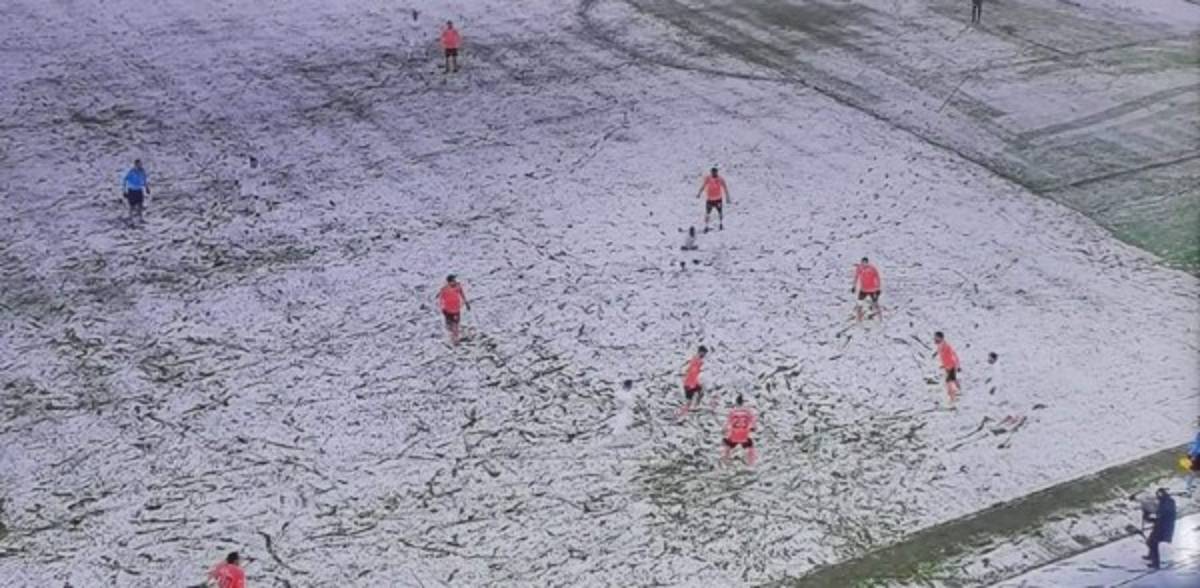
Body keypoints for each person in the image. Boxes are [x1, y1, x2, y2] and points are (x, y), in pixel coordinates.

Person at [1143, 488, 1176, 569]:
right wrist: (1149, 515)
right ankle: (1151, 556)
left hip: (1164, 528)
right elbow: (1159, 514)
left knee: (1153, 543)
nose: (1158, 496)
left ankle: (1155, 563)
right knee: (1150, 541)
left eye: (1159, 494)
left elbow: (1164, 514)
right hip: (1160, 526)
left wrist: (1152, 516)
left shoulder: (1169, 502)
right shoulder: (1163, 502)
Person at [721, 394, 757, 466]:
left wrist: (724, 429)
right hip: (744, 435)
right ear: (743, 402)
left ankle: (725, 460)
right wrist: (753, 428)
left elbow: (727, 423)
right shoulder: (748, 412)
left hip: (734, 435)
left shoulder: (732, 412)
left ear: (736, 402)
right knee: (751, 445)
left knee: (728, 445)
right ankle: (751, 462)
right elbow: (753, 423)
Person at [696, 167, 730, 233]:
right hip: (710, 199)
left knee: (720, 212)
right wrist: (699, 193)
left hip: (718, 199)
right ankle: (706, 226)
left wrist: (727, 197)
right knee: (707, 213)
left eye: (715, 172)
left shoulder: (720, 179)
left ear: (717, 172)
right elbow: (703, 186)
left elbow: (725, 188)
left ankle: (720, 224)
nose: (713, 173)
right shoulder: (708, 178)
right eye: (712, 172)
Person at [438, 275, 470, 345]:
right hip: (447, 310)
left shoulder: (458, 287)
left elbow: (462, 294)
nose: (455, 282)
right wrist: (441, 308)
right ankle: (451, 335)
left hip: (456, 309)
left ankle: (455, 339)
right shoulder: (444, 289)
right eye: (453, 281)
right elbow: (440, 299)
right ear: (449, 282)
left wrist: (466, 303)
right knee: (449, 325)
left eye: (455, 280)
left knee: (456, 324)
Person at [678, 346, 707, 417]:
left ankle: (693, 407)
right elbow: (690, 371)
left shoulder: (697, 360)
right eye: (704, 353)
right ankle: (681, 414)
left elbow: (692, 372)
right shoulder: (695, 360)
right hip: (689, 384)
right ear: (700, 352)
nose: (704, 356)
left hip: (692, 383)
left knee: (701, 391)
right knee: (688, 402)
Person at [933, 331, 960, 404]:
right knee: (953, 380)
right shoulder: (939, 346)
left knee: (948, 382)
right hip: (947, 366)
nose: (934, 339)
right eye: (934, 337)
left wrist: (958, 364)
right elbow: (943, 356)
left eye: (936, 337)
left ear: (941, 338)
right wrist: (943, 365)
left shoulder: (946, 346)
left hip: (951, 365)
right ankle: (959, 390)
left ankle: (953, 398)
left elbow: (953, 354)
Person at [852, 257, 882, 322]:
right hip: (863, 290)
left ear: (867, 262)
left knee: (875, 303)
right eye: (863, 262)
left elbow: (877, 278)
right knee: (859, 303)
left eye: (865, 262)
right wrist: (854, 286)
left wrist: (878, 288)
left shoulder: (872, 268)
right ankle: (859, 318)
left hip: (872, 289)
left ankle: (880, 318)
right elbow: (856, 277)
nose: (864, 264)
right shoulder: (859, 269)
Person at [1187, 429, 1200, 495]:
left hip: (1194, 456)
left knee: (1193, 473)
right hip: (1195, 457)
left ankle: (1189, 486)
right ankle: (1188, 487)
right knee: (1193, 473)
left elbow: (1193, 445)